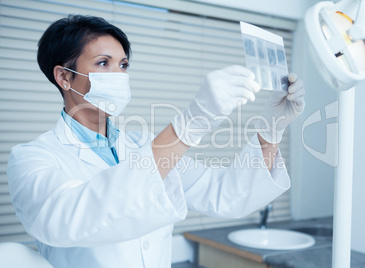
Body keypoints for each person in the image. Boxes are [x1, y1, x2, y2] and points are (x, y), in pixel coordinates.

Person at [7, 15, 305, 267]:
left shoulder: (143, 145)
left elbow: (226, 194)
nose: (118, 75)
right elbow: (72, 218)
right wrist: (189, 124)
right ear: (64, 77)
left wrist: (270, 129)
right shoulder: (33, 158)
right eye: (102, 63)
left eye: (123, 65)